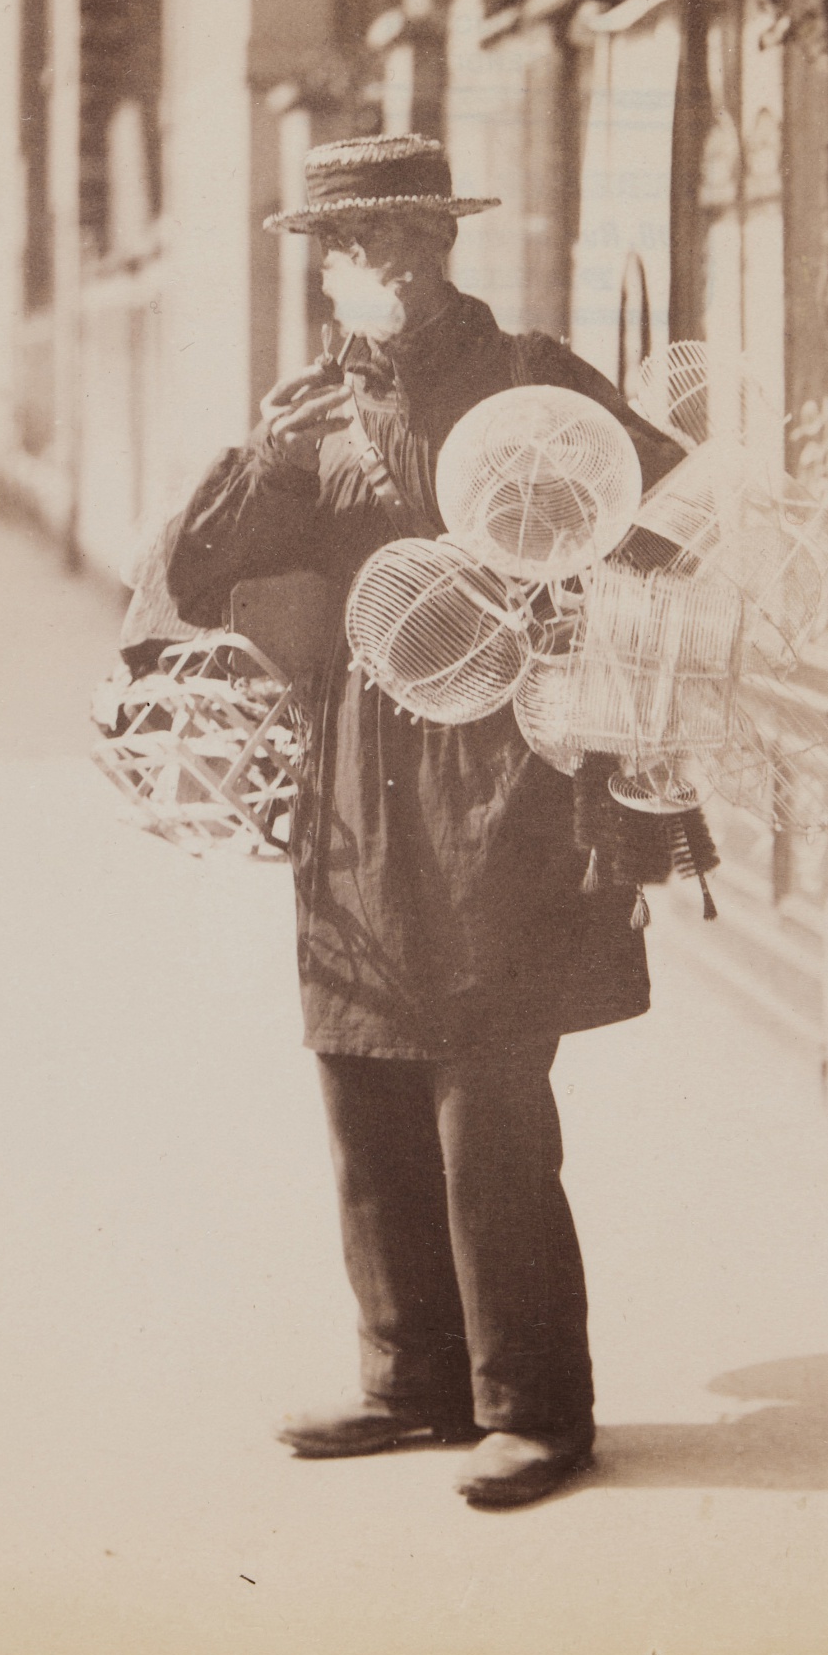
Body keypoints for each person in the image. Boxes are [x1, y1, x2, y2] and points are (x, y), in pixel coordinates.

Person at [166, 133, 682, 1508]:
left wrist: (575, 633)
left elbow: (666, 524)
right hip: (355, 790)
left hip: (502, 786)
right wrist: (258, 457)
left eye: (371, 244)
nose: (349, 271)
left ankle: (537, 1408)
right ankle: (410, 1381)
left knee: (487, 1099)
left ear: (429, 247)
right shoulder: (317, 416)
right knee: (364, 1073)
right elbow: (201, 575)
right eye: (333, 251)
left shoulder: (535, 385)